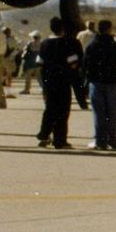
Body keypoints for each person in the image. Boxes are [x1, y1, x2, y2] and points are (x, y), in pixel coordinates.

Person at [35, 17, 83, 149]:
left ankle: (44, 135)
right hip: (63, 81)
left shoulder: (44, 43)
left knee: (49, 109)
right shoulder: (67, 43)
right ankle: (59, 139)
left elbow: (39, 62)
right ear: (63, 28)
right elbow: (73, 62)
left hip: (48, 82)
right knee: (62, 111)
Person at [82, 19, 116, 150]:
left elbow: (85, 65)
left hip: (96, 82)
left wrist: (89, 77)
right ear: (109, 29)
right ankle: (112, 139)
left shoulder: (92, 46)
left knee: (98, 113)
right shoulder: (115, 46)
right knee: (112, 112)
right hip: (112, 82)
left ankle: (100, 140)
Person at [19, 30, 42, 95]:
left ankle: (27, 90)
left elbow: (25, 51)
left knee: (28, 77)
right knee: (39, 77)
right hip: (38, 63)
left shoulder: (30, 43)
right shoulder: (41, 44)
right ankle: (44, 89)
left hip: (30, 63)